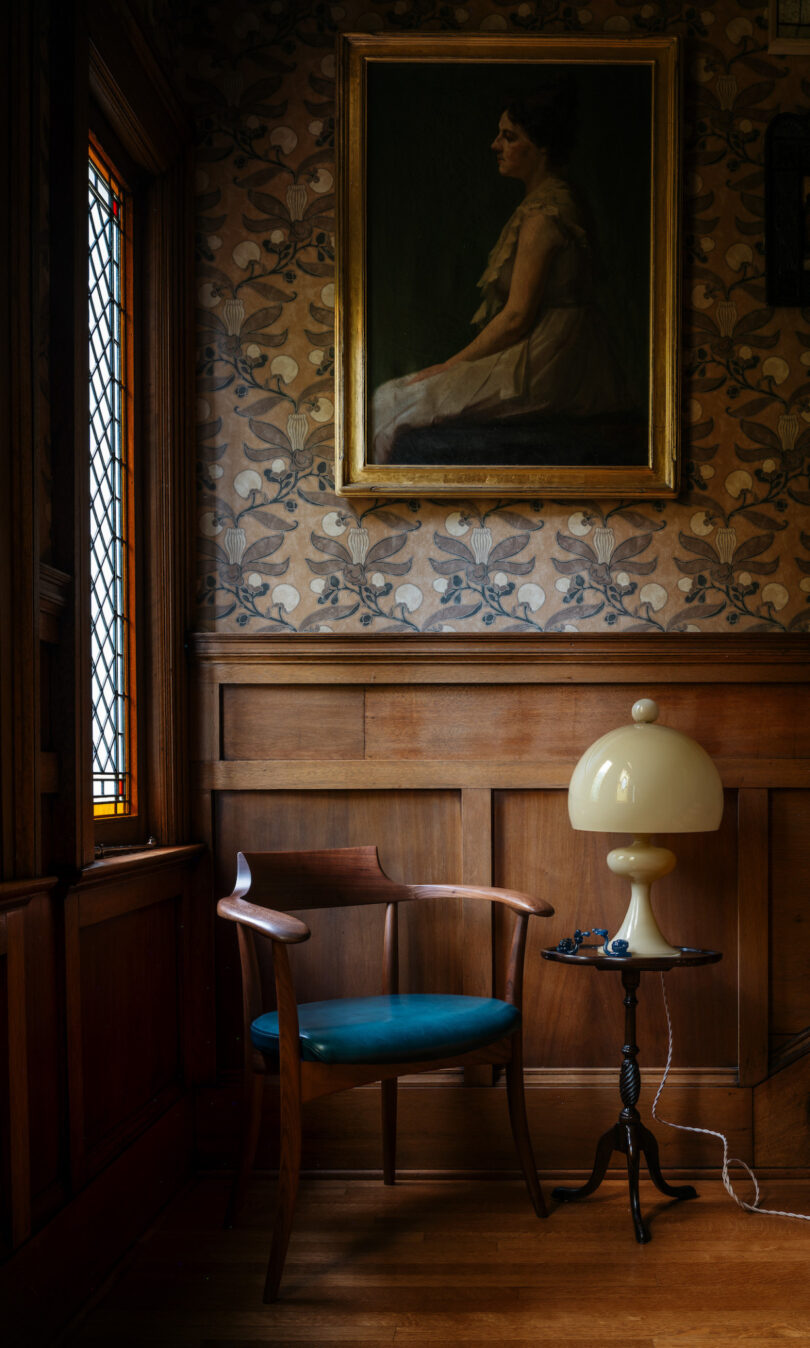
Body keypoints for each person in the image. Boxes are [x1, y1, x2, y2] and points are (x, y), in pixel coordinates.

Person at [370, 83, 629, 465]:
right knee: (392, 398)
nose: (495, 145)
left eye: (509, 137)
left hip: (552, 362)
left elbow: (516, 318)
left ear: (542, 147)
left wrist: (446, 367)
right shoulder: (549, 200)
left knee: (394, 400)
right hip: (558, 350)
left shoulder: (544, 216)